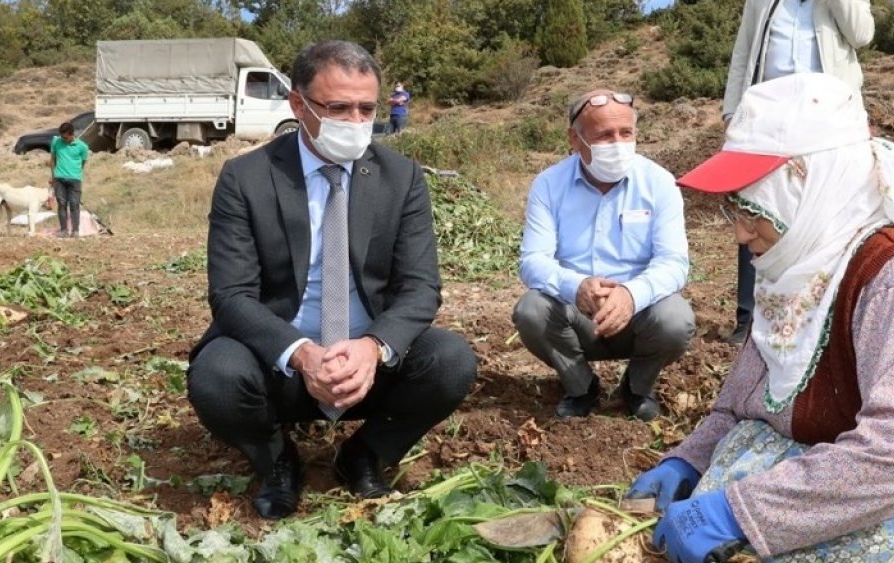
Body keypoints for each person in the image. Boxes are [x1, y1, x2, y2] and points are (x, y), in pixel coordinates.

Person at [621, 74, 894, 563]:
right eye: (734, 209)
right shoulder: (797, 273)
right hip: (801, 503)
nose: (739, 233)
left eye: (751, 208)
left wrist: (740, 512)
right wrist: (689, 461)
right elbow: (742, 402)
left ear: (805, 186)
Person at [186, 41, 478, 519]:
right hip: (281, 366)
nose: (355, 121)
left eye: (367, 108)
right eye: (338, 108)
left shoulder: (401, 177)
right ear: (298, 104)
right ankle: (277, 459)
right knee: (216, 377)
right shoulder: (247, 178)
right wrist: (302, 354)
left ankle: (365, 454)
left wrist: (372, 347)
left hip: (368, 369)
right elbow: (231, 294)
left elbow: (421, 287)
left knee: (451, 361)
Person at [514, 89, 693, 422]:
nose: (618, 144)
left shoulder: (659, 183)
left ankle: (637, 387)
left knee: (676, 319)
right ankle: (581, 387)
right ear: (575, 139)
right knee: (531, 310)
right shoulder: (549, 185)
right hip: (577, 314)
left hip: (639, 315)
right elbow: (533, 261)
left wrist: (631, 295)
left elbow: (674, 263)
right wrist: (577, 286)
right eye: (605, 135)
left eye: (626, 133)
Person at [720, 0, 875, 344]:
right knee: (756, 210)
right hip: (767, 119)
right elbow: (743, 53)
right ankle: (750, 316)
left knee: (825, 212)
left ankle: (821, 311)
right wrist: (732, 112)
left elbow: (862, 34)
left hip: (826, 121)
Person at [49, 121, 89, 238]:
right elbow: (52, 159)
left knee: (74, 204)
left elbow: (82, 163)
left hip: (74, 179)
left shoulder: (82, 147)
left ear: (72, 134)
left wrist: (74, 172)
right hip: (59, 179)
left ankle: (75, 231)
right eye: (62, 136)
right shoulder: (56, 142)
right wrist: (53, 176)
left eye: (65, 137)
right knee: (62, 204)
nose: (63, 139)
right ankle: (63, 231)